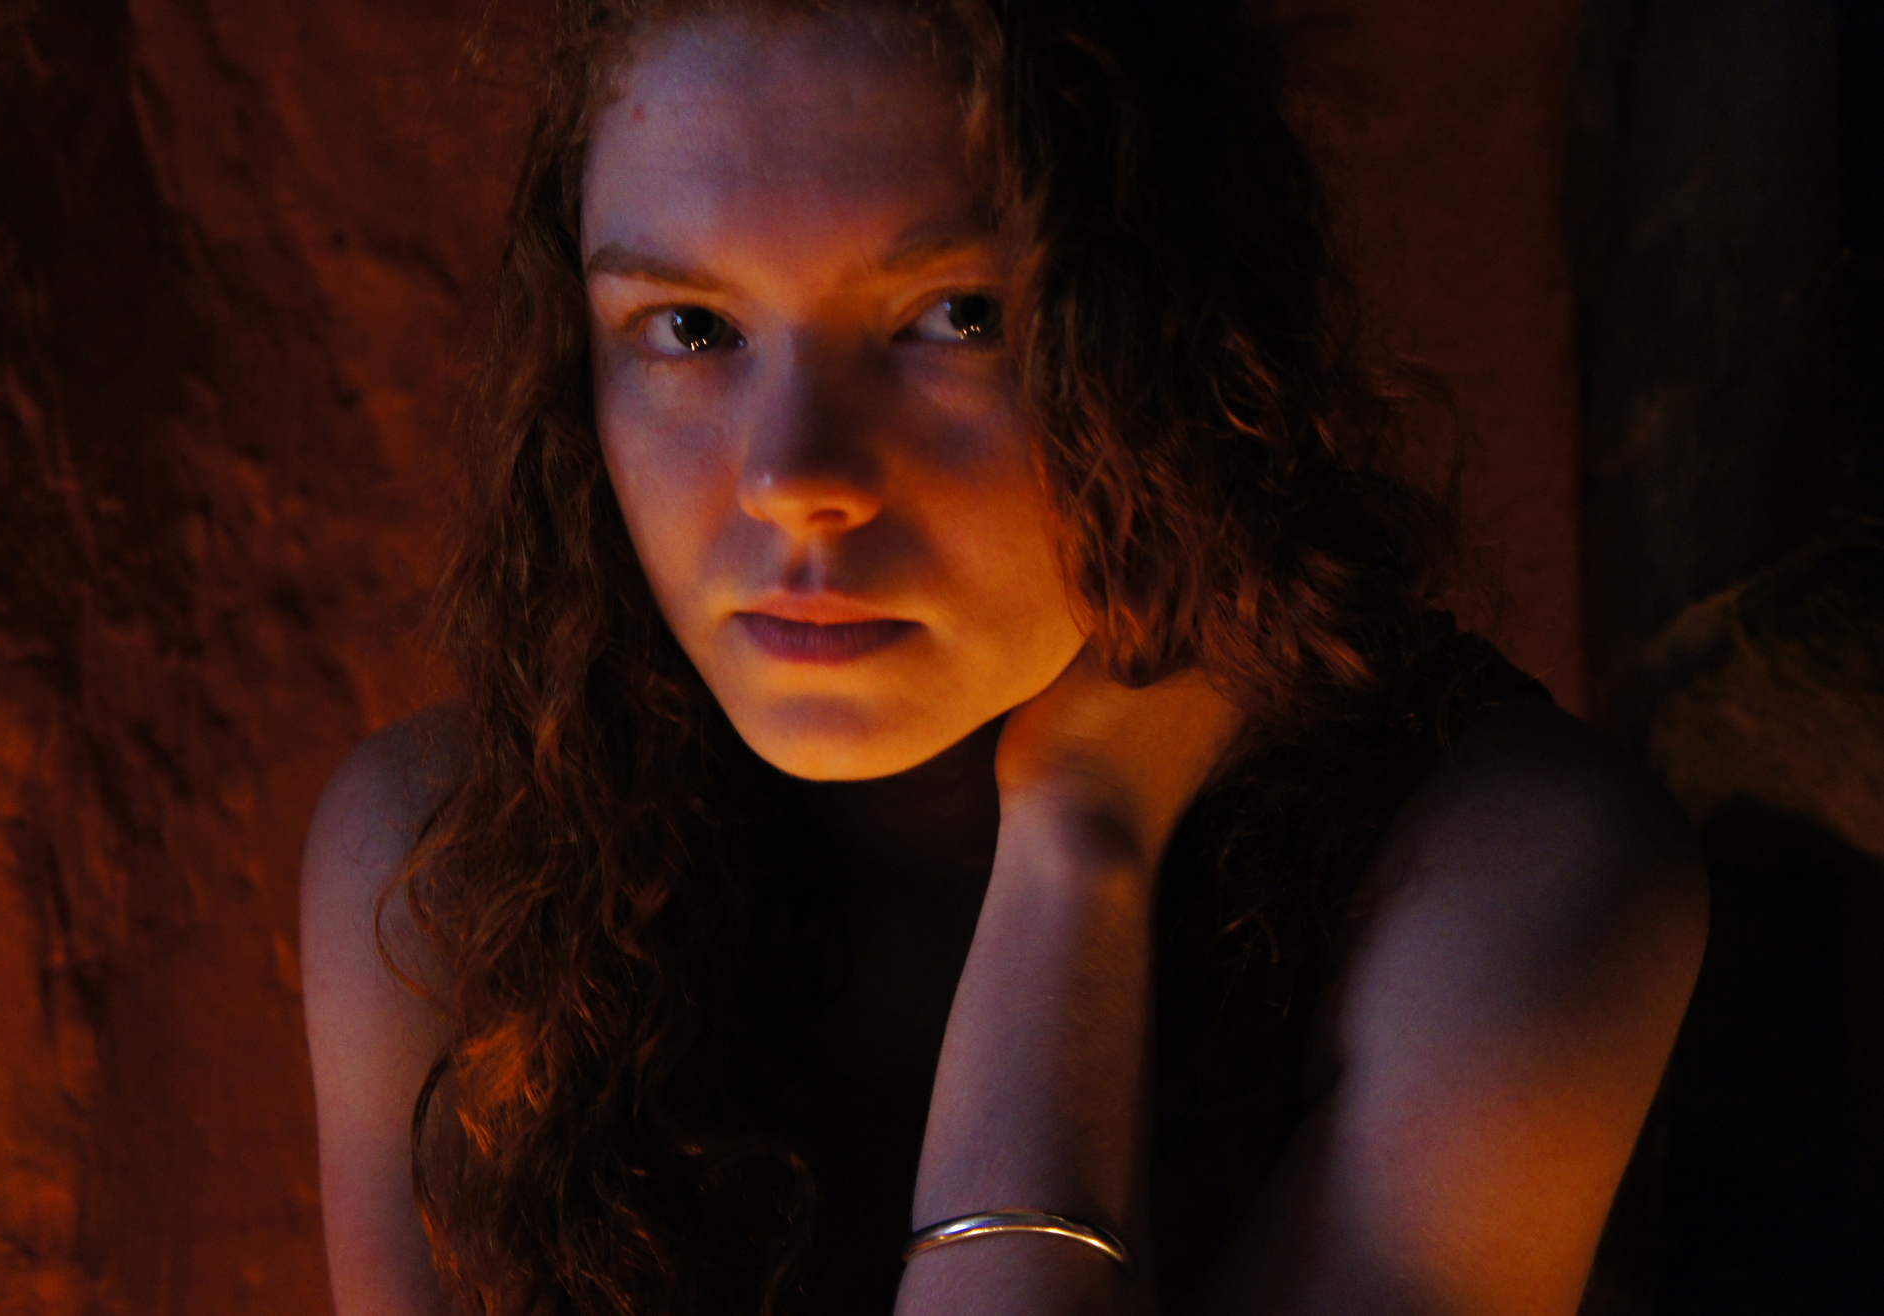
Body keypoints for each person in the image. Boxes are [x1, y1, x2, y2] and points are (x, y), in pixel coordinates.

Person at [299, 2, 1708, 1313]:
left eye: (957, 317)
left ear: (1178, 332)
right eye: (692, 329)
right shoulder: (453, 872)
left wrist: (1078, 851)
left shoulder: (1499, 883)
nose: (794, 478)